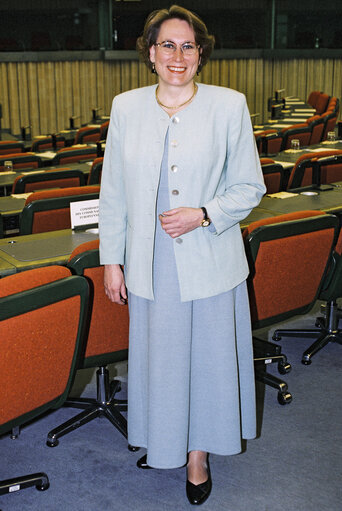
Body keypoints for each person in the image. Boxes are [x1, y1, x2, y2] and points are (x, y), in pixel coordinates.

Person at [99, 4, 266, 506]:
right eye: (167, 45)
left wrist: (205, 212)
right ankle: (165, 442)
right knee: (162, 361)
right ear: (150, 53)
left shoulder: (229, 105)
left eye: (188, 45)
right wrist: (112, 258)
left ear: (201, 53)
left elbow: (249, 186)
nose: (178, 54)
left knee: (210, 362)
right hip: (150, 261)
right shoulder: (126, 107)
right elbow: (113, 191)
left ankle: (198, 455)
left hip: (211, 257)